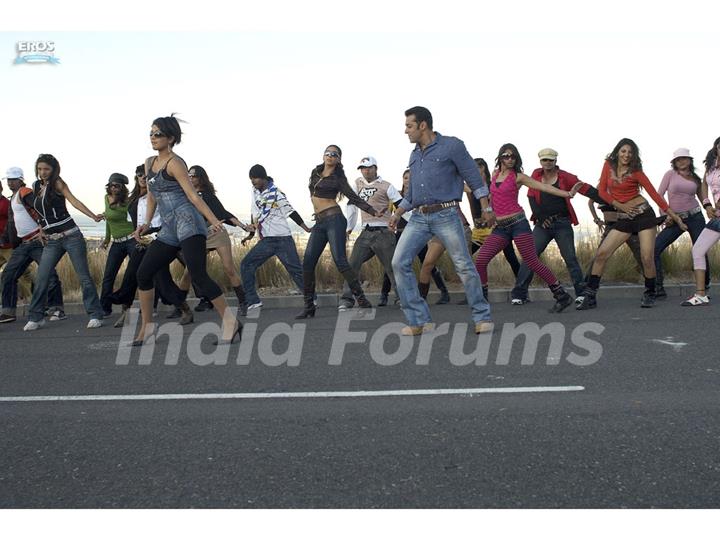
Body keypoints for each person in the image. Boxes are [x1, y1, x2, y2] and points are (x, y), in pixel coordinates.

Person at [131, 115, 240, 345]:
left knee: (198, 274)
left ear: (170, 138)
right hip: (169, 226)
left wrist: (213, 220)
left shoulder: (175, 163)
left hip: (189, 222)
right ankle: (148, 327)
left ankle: (230, 322)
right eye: (151, 133)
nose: (153, 137)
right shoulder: (149, 162)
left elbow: (192, 196)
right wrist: (147, 223)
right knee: (143, 273)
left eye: (158, 134)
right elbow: (152, 196)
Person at [389, 106, 494, 336]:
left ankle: (482, 317)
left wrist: (486, 206)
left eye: (409, 126)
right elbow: (412, 193)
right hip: (418, 217)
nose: (405, 131)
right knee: (399, 262)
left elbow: (473, 178)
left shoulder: (452, 146)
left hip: (446, 214)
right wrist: (397, 214)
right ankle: (419, 321)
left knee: (464, 266)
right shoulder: (414, 155)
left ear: (422, 125)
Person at [576, 138, 686, 310]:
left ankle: (650, 293)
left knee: (647, 257)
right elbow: (602, 192)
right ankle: (590, 296)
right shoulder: (608, 165)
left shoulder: (637, 172)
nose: (626, 155)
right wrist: (620, 205)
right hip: (624, 217)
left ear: (634, 155)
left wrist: (675, 216)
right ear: (618, 152)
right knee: (602, 254)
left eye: (630, 152)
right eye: (623, 151)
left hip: (644, 215)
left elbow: (655, 195)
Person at [474, 144, 578, 313]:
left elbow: (543, 187)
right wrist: (488, 212)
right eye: (506, 156)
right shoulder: (494, 176)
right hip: (500, 227)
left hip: (518, 224)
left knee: (532, 261)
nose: (509, 159)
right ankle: (483, 300)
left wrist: (567, 194)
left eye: (513, 156)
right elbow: (492, 196)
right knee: (481, 259)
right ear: (500, 157)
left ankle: (561, 295)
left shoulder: (518, 177)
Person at [295, 144, 381, 319]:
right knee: (308, 263)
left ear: (338, 159)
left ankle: (361, 298)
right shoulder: (315, 172)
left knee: (340, 261)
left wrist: (372, 211)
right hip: (319, 222)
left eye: (334, 154)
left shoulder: (338, 178)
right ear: (323, 155)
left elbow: (353, 197)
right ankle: (309, 306)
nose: (330, 156)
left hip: (334, 220)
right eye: (328, 153)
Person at [510, 148, 605, 305]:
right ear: (540, 161)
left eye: (550, 160)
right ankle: (519, 294)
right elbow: (531, 197)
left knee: (570, 258)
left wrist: (607, 201)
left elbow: (585, 188)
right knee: (529, 256)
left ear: (555, 161)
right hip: (543, 224)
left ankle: (581, 293)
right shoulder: (536, 174)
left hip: (562, 223)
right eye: (544, 160)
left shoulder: (564, 177)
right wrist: (540, 217)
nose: (547, 163)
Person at [23, 154, 105, 331]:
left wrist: (93, 216)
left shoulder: (58, 183)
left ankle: (95, 314)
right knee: (42, 277)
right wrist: (41, 229)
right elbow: (40, 212)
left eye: (46, 169)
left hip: (71, 236)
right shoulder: (36, 185)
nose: (42, 172)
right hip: (52, 241)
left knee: (84, 277)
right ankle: (36, 317)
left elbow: (74, 201)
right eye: (39, 169)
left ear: (53, 169)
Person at [107, 165, 192, 328]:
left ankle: (185, 309)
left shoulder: (158, 195)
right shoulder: (133, 198)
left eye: (145, 175)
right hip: (139, 239)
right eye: (139, 174)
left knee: (161, 277)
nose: (142, 177)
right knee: (131, 275)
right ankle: (126, 312)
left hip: (158, 237)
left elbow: (170, 215)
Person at [176, 165, 248, 315]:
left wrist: (242, 226)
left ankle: (243, 302)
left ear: (201, 178)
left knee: (229, 269)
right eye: (189, 175)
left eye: (194, 176)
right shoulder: (186, 194)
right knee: (189, 272)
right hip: (199, 235)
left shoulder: (208, 195)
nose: (190, 178)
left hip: (216, 233)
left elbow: (223, 213)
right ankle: (181, 307)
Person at [240, 164, 310, 311]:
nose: (253, 181)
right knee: (247, 264)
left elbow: (291, 212)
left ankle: (311, 299)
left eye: (256, 178)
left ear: (264, 178)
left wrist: (306, 228)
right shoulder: (255, 192)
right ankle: (253, 301)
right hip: (267, 240)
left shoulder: (277, 194)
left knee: (296, 270)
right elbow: (256, 215)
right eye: (251, 179)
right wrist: (250, 234)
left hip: (283, 239)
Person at [339, 156, 403, 310]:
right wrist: (350, 226)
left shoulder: (386, 186)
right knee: (352, 265)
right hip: (366, 231)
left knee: (392, 267)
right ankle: (347, 299)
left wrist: (413, 223)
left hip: (384, 232)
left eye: (369, 167)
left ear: (376, 168)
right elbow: (351, 204)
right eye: (363, 168)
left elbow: (401, 204)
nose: (366, 171)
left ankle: (402, 298)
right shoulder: (357, 184)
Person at [379, 169, 450, 307]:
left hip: (418, 234)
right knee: (393, 263)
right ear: (402, 180)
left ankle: (444, 292)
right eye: (405, 177)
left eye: (411, 177)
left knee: (428, 263)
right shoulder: (396, 196)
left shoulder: (421, 196)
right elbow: (389, 213)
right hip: (400, 234)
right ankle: (384, 295)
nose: (408, 180)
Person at [0, 167, 62, 324]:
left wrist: (44, 230)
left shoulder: (25, 192)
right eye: (8, 180)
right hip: (23, 244)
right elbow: (11, 223)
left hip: (38, 242)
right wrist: (4, 238)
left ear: (20, 179)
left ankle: (57, 308)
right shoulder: (13, 197)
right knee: (8, 275)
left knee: (49, 274)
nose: (10, 182)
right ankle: (8, 311)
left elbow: (39, 208)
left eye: (13, 179)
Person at [653, 148, 710, 298]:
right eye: (678, 159)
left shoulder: (696, 179)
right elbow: (659, 195)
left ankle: (704, 286)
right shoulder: (670, 175)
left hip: (695, 217)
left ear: (690, 160)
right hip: (675, 218)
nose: (682, 161)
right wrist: (665, 215)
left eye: (684, 158)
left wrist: (711, 209)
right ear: (674, 162)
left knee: (701, 249)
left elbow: (704, 197)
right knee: (655, 248)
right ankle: (658, 287)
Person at [681, 137, 720, 306]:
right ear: (716, 148)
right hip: (717, 216)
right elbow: (704, 184)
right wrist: (707, 204)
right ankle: (700, 294)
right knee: (698, 250)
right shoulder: (711, 165)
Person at [99, 173, 136, 317]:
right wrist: (107, 239)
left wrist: (114, 210)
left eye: (117, 186)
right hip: (117, 242)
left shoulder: (127, 201)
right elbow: (109, 220)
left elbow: (121, 216)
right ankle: (105, 308)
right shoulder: (106, 198)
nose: (114, 188)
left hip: (131, 239)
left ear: (123, 187)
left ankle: (148, 304)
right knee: (108, 276)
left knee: (137, 272)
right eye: (111, 185)